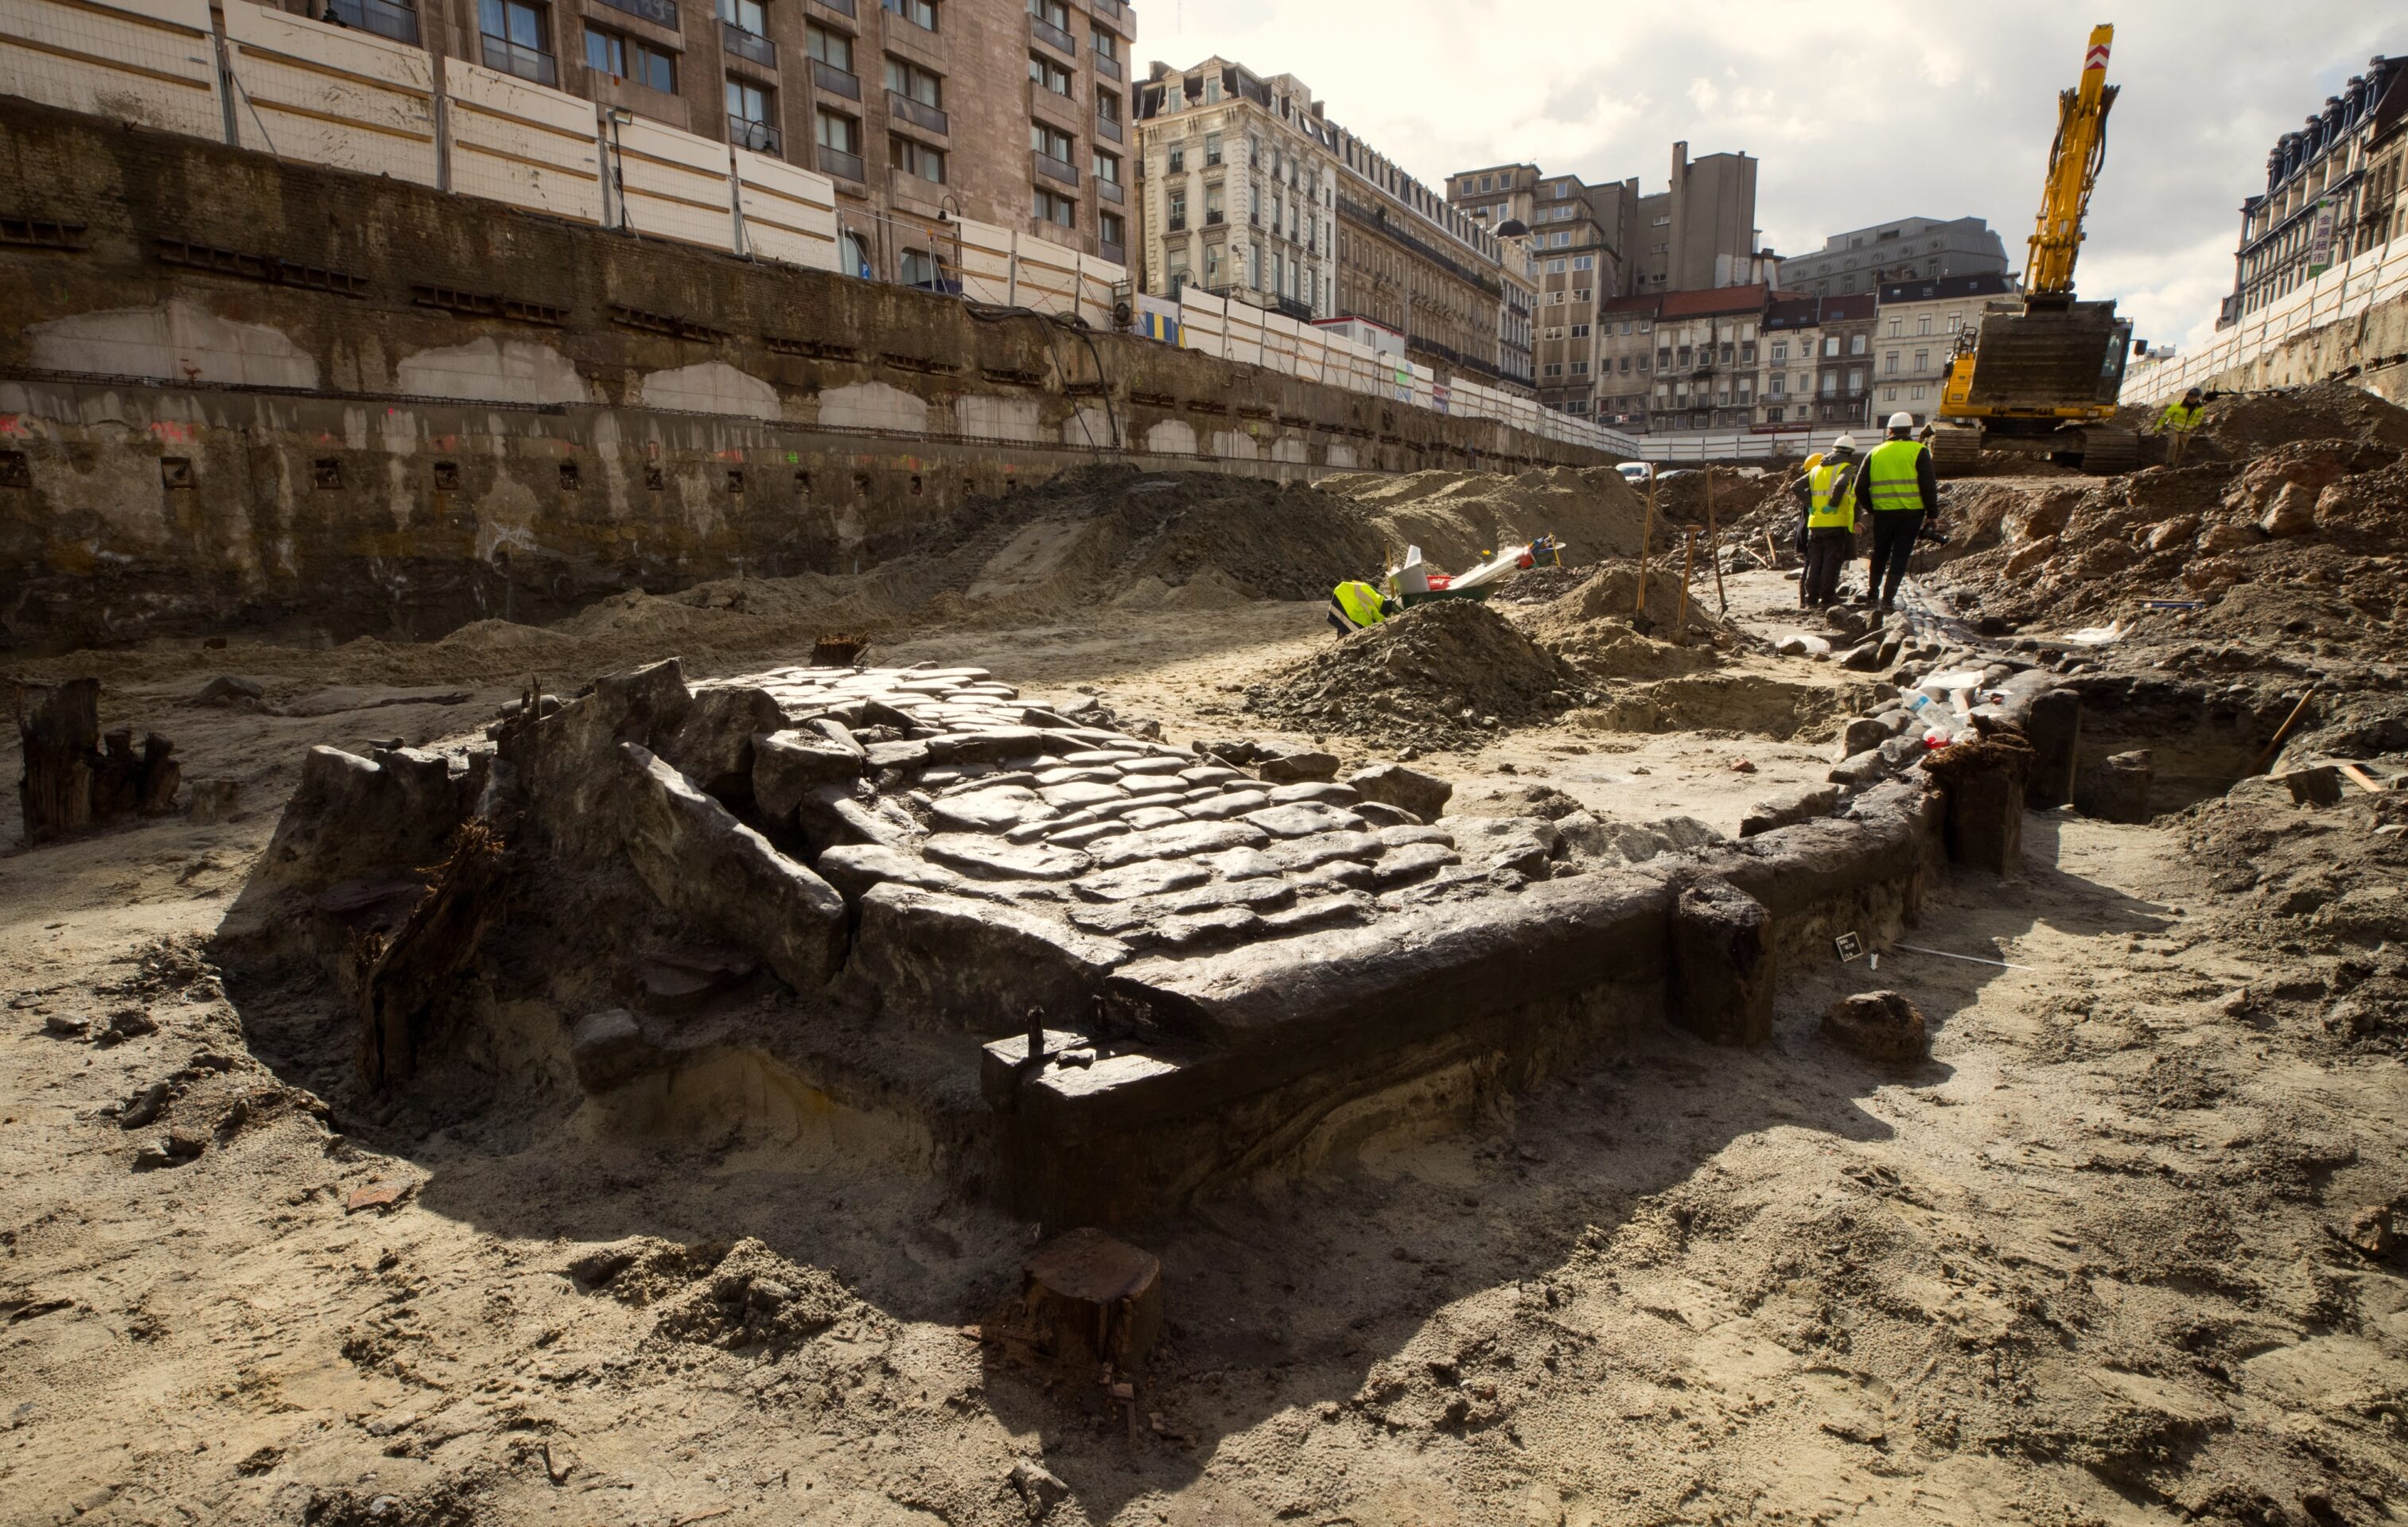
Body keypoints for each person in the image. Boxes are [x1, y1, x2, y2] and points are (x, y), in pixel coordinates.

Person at [1854, 411, 1939, 612]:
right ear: (1910, 430)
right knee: (1900, 555)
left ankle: (1872, 594)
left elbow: (1859, 488)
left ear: (1889, 430)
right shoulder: (1919, 451)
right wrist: (1932, 514)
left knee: (1880, 553)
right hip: (1911, 513)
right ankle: (1888, 600)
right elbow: (1928, 485)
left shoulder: (1875, 452)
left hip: (1884, 513)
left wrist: (1872, 508)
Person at [1791, 436, 1860, 608]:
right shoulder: (1846, 467)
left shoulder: (1816, 470)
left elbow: (1796, 486)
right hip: (1836, 523)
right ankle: (1828, 598)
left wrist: (1811, 504)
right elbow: (1841, 484)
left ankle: (1811, 599)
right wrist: (1833, 504)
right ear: (1850, 452)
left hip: (1815, 524)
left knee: (1815, 563)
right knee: (1831, 562)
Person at [2155, 387, 2206, 467]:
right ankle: (2169, 463)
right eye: (2191, 398)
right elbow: (2165, 416)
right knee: (2174, 444)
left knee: (2181, 449)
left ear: (2198, 397)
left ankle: (2174, 466)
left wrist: (2194, 425)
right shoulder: (2178, 406)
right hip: (2174, 428)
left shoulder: (2200, 408)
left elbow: (2199, 418)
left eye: (2195, 398)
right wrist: (2158, 427)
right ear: (2187, 397)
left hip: (2187, 431)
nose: (2192, 400)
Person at [1328, 578, 1396, 635]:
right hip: (1347, 603)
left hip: (1341, 595)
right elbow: (1378, 619)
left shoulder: (1366, 588)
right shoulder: (1377, 606)